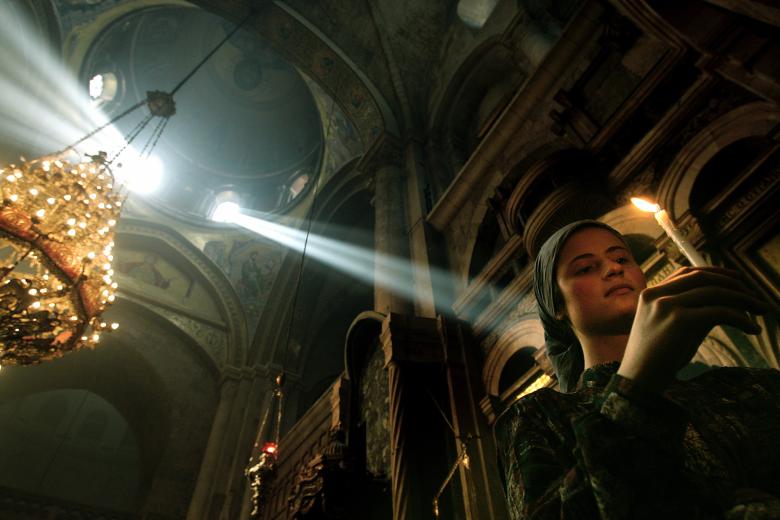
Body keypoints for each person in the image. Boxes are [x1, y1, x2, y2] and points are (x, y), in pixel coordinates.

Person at [495, 220, 780, 519]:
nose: (614, 269)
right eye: (585, 268)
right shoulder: (541, 415)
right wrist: (634, 390)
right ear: (558, 306)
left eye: (621, 259)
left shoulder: (740, 387)